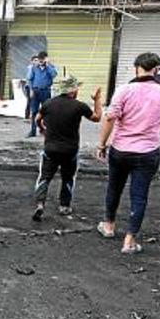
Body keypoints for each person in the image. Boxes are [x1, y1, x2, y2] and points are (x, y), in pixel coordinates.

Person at [97, 52, 160, 255]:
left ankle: (108, 226)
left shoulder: (124, 90)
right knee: (139, 195)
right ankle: (129, 241)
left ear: (136, 68)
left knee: (114, 188)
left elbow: (110, 117)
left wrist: (101, 145)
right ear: (156, 70)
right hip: (147, 152)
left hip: (121, 150)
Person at [33, 77, 103, 221]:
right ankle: (64, 206)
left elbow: (37, 118)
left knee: (44, 177)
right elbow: (97, 118)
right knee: (68, 178)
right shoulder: (79, 106)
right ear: (72, 90)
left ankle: (40, 204)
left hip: (50, 148)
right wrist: (96, 100)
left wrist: (42, 129)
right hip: (70, 150)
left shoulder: (48, 103)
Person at [27, 51, 58, 137]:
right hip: (35, 91)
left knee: (47, 111)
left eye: (42, 59)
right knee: (34, 112)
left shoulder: (50, 67)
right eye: (40, 59)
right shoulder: (34, 67)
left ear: (46, 59)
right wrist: (31, 90)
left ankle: (46, 130)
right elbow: (30, 79)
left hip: (46, 91)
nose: (41, 61)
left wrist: (47, 65)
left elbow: (54, 75)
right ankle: (33, 131)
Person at [24, 55, 39, 120]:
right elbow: (29, 79)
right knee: (30, 101)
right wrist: (31, 89)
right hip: (29, 87)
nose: (36, 62)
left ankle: (33, 115)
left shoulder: (37, 68)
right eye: (35, 60)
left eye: (37, 60)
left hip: (35, 87)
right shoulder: (31, 68)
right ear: (32, 61)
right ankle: (27, 116)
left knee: (34, 101)